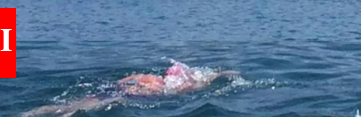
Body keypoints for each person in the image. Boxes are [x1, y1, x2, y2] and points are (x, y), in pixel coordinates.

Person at [21, 61, 238, 116]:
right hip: (131, 94)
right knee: (85, 107)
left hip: (117, 88)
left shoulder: (147, 76)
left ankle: (31, 113)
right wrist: (223, 74)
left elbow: (122, 81)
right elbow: (215, 77)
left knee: (71, 104)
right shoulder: (179, 87)